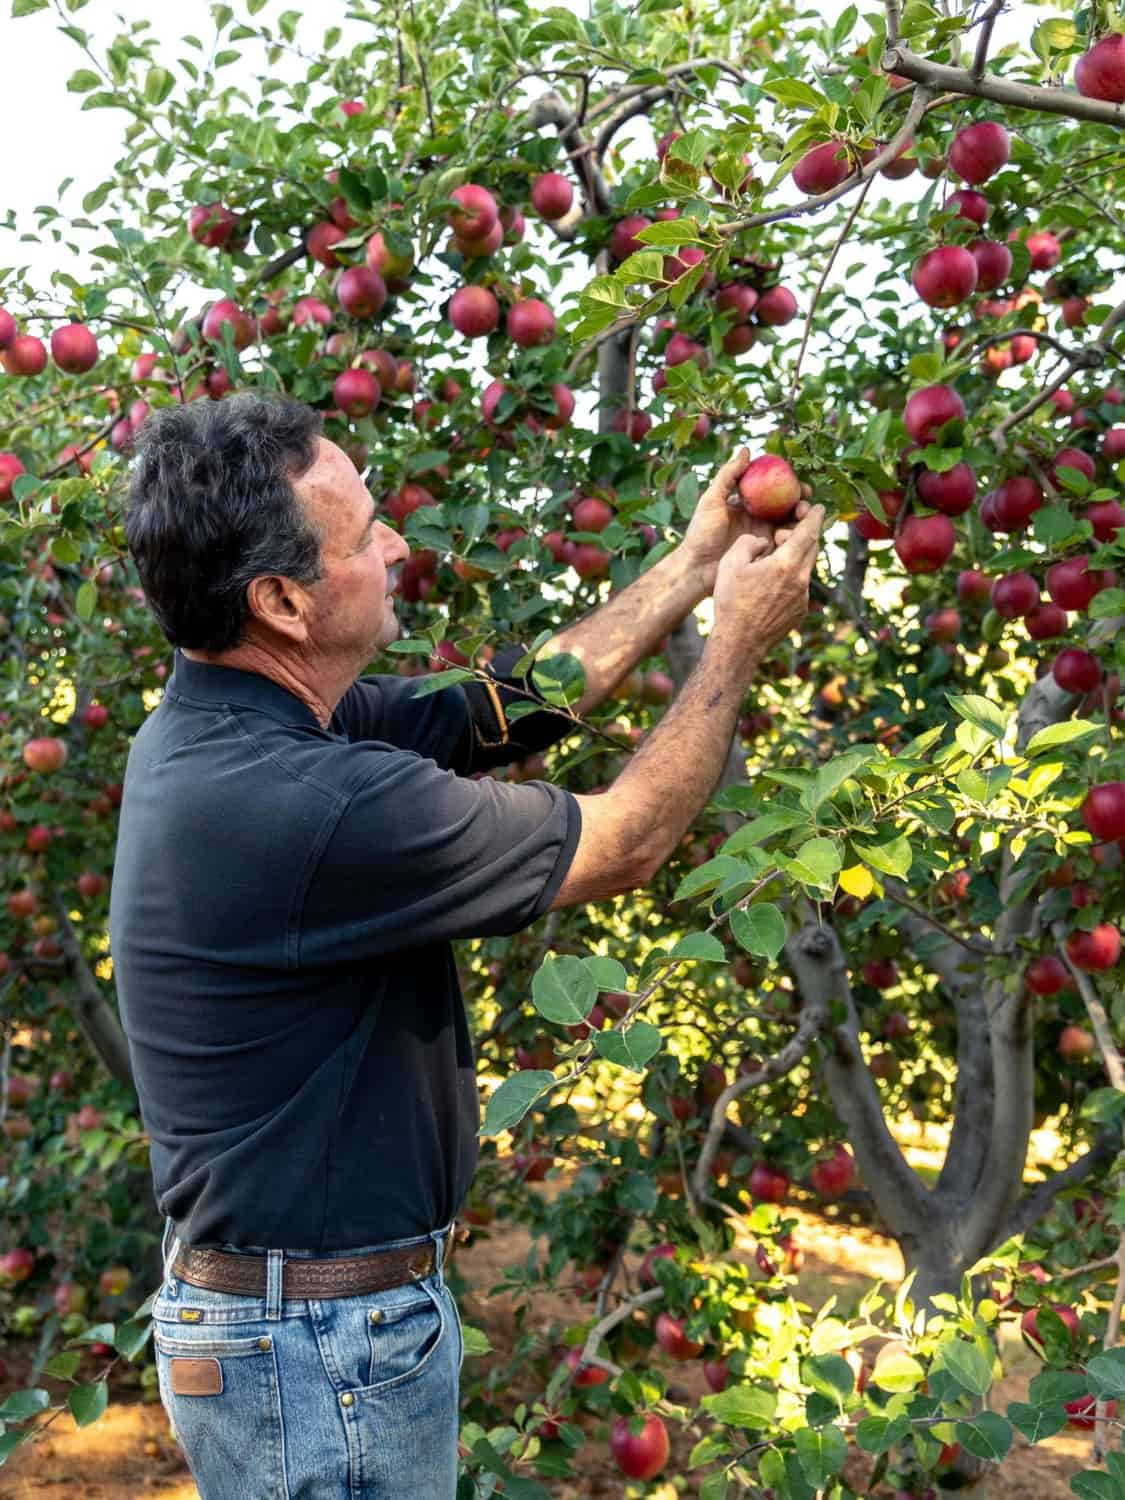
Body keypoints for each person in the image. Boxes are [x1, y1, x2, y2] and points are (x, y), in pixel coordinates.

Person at [108, 392, 822, 1499]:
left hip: (293, 1325)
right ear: (284, 600)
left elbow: (508, 706)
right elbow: (625, 842)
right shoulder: (308, 800)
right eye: (363, 535)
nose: (396, 543)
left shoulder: (231, 721)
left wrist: (690, 569)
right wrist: (735, 640)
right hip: (321, 1348)